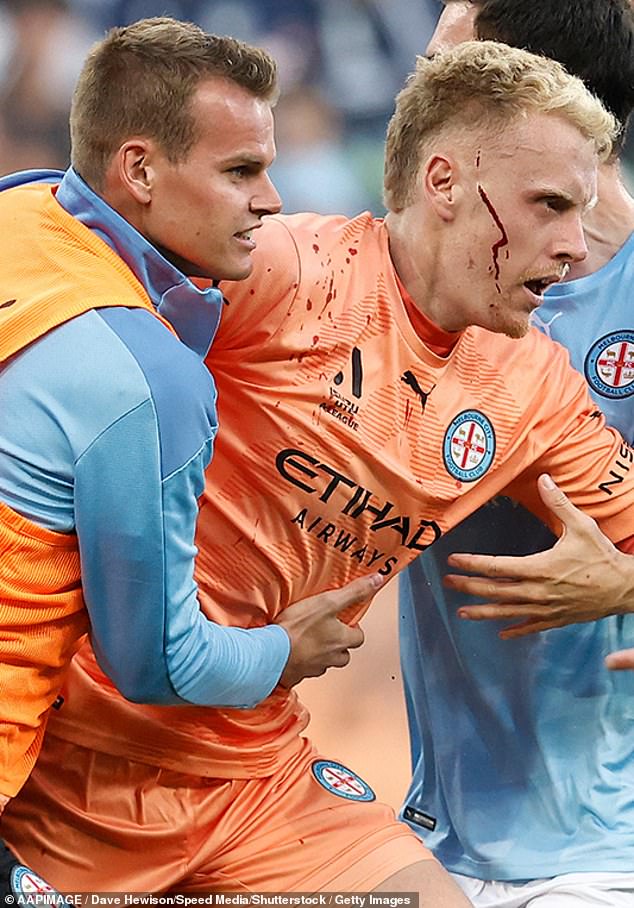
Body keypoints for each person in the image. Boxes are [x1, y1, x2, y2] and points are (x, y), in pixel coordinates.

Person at [2, 38, 632, 902]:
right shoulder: (274, 272)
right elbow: (66, 279)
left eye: (582, 212)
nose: (572, 248)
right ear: (443, 184)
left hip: (259, 783)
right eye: (549, 205)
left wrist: (622, 584)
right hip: (80, 767)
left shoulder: (538, 392)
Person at [0, 15, 387, 898]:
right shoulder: (149, 380)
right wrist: (280, 653)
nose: (273, 199)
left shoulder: (15, 208)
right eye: (241, 170)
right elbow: (157, 662)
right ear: (137, 169)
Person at [398, 1, 634, 905]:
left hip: (602, 852)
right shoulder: (410, 275)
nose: (409, 93)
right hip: (440, 835)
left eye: (441, 70)